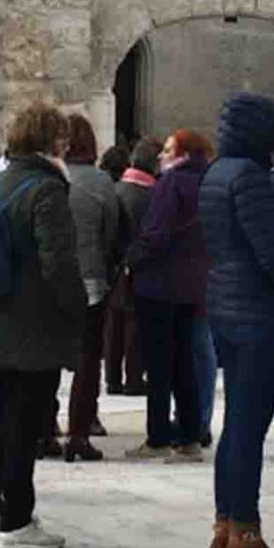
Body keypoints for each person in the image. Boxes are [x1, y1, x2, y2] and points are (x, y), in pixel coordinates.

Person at [0, 103, 88, 548]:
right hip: (35, 318)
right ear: (51, 140)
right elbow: (58, 261)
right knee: (27, 420)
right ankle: (16, 519)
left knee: (11, 416)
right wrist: (76, 308)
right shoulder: (47, 189)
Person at [200, 92, 274, 548]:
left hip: (226, 304)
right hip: (258, 313)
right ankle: (245, 536)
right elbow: (272, 253)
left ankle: (226, 528)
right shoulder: (248, 177)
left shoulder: (217, 172)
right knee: (248, 427)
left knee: (236, 425)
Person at [126, 130, 211, 459]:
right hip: (192, 285)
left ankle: (158, 435)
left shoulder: (170, 184)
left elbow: (157, 233)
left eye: (168, 150)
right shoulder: (208, 183)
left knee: (158, 364)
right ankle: (190, 435)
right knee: (185, 362)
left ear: (183, 154)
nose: (161, 156)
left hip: (159, 283)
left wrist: (132, 259)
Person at [62, 115, 131, 461]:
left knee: (45, 357)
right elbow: (111, 231)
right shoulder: (100, 182)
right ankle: (79, 432)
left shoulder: (50, 176)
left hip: (50, 281)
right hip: (90, 278)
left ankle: (43, 429)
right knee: (88, 360)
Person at [108, 137, 159, 395]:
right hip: (140, 264)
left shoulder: (116, 189)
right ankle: (134, 378)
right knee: (134, 324)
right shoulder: (152, 195)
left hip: (115, 263)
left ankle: (112, 378)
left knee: (114, 323)